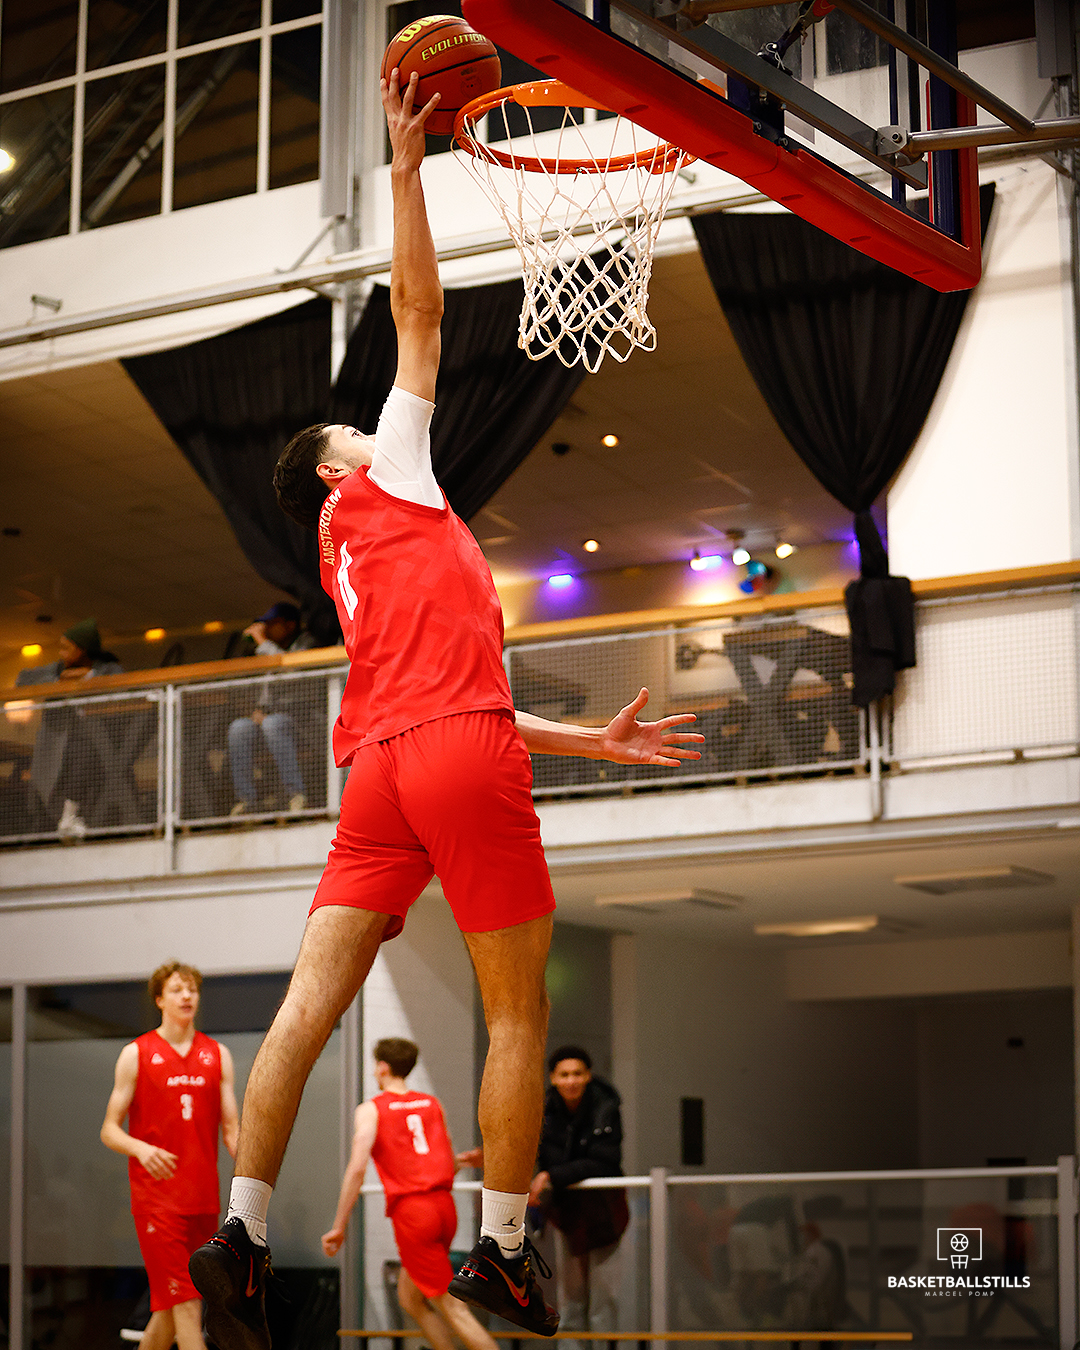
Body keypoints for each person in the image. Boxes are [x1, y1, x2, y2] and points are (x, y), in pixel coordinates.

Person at [188, 67, 702, 1350]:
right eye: (350, 431)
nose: (372, 429)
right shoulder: (390, 478)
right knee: (519, 1009)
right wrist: (409, 168)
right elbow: (419, 311)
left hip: (382, 768)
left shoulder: (345, 567)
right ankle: (506, 1253)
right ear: (333, 470)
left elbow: (442, 705)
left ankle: (240, 1233)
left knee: (306, 1009)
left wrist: (587, 740)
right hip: (452, 755)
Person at [322, 1038, 500, 1350]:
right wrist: (462, 1162)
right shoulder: (431, 1104)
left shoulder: (371, 1109)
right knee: (410, 1299)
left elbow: (357, 1168)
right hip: (444, 1209)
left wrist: (339, 1225)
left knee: (453, 1308)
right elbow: (445, 1162)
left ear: (382, 1067)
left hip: (414, 1214)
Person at [101, 962, 239, 1350]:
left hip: (202, 1198)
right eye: (177, 989)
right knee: (188, 1305)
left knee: (169, 1306)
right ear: (160, 999)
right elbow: (109, 1129)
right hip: (157, 1201)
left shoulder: (217, 1054)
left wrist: (254, 1176)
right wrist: (141, 1148)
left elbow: (232, 1130)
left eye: (192, 989)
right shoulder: (136, 1053)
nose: (187, 996)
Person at [529, 1048, 628, 1341]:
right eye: (564, 1075)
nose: (571, 1081)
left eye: (577, 1074)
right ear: (553, 1078)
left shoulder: (606, 1106)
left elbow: (606, 1160)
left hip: (605, 1212)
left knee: (602, 1297)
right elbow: (543, 1157)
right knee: (571, 1296)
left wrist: (552, 1175)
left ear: (588, 1076)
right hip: (567, 1213)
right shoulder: (545, 1111)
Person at [16, 618, 123, 837]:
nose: (61, 653)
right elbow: (22, 679)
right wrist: (58, 680)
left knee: (82, 749)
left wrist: (88, 677)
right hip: (58, 743)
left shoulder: (107, 667)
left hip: (102, 743)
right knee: (56, 766)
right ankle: (60, 820)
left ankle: (70, 817)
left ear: (82, 650)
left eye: (66, 648)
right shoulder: (58, 668)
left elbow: (120, 680)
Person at [227, 602, 317, 816]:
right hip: (270, 721)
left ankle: (296, 795)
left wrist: (262, 642)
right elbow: (258, 693)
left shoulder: (308, 642)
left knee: (273, 723)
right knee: (239, 727)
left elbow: (292, 673)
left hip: (305, 722)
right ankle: (247, 800)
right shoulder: (266, 650)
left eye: (272, 623)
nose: (266, 628)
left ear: (289, 625)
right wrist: (257, 711)